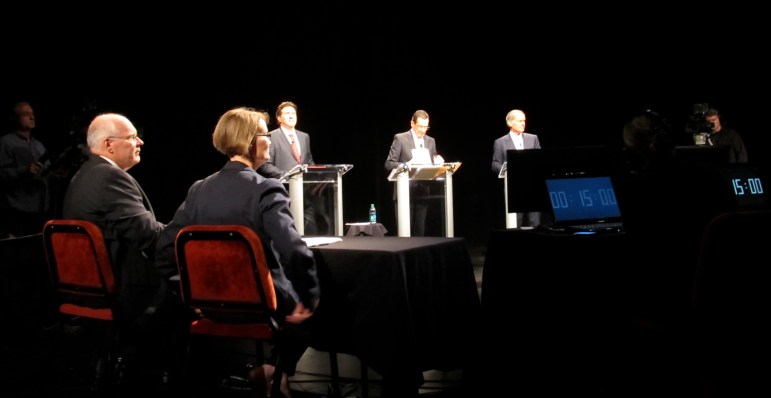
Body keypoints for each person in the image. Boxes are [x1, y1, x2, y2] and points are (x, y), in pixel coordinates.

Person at [155, 107, 320, 397]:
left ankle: (267, 372)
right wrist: (309, 296)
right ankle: (275, 370)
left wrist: (189, 292)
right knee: (321, 307)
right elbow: (295, 251)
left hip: (210, 305)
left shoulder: (199, 190)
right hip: (263, 306)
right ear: (250, 142)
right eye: (265, 134)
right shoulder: (266, 189)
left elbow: (165, 251)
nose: (269, 140)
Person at [62, 113, 179, 389]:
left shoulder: (85, 174)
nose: (140, 141)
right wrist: (186, 226)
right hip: (126, 290)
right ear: (109, 145)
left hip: (89, 288)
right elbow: (149, 237)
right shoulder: (110, 178)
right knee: (189, 287)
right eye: (132, 137)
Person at [257, 101, 331, 235]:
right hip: (283, 190)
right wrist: (288, 175)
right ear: (279, 118)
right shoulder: (271, 137)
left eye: (293, 113)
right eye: (287, 113)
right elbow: (264, 165)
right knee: (287, 230)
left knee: (310, 231)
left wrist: (316, 173)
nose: (291, 116)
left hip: (305, 191)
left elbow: (309, 161)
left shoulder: (304, 137)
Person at [384, 109, 445, 236]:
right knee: (405, 235)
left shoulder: (430, 141)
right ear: (412, 124)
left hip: (423, 193)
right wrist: (407, 165)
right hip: (404, 192)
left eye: (426, 127)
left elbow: (432, 160)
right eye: (420, 126)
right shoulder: (400, 138)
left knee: (419, 233)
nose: (423, 130)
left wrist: (437, 161)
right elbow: (389, 164)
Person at [0, 101, 51, 238]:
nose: (31, 117)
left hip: (40, 209)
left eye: (32, 114)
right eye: (25, 114)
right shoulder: (6, 143)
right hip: (18, 211)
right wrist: (24, 170)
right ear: (15, 118)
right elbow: (2, 174)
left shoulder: (39, 145)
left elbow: (47, 172)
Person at [491, 109, 543, 228]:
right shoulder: (500, 142)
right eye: (519, 121)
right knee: (515, 224)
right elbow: (495, 164)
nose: (523, 123)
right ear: (510, 123)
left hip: (532, 187)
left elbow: (540, 159)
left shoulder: (533, 138)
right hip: (513, 189)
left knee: (535, 224)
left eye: (524, 120)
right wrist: (508, 168)